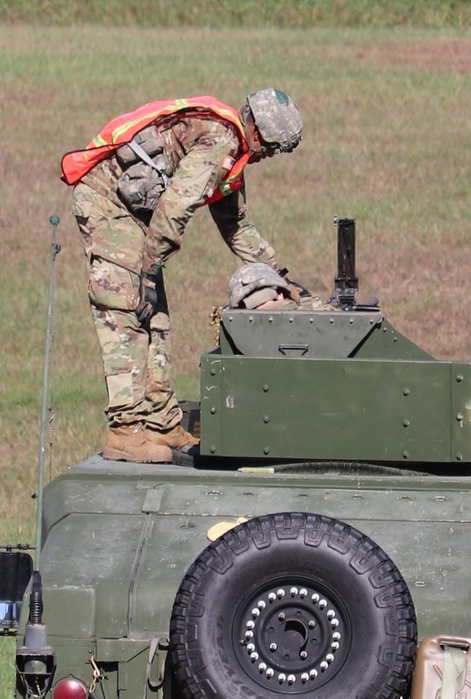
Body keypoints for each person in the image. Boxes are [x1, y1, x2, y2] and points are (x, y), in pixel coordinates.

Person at [61, 89, 309, 463]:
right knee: (126, 311)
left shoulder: (231, 154)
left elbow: (235, 224)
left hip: (136, 216)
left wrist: (278, 275)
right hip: (107, 203)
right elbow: (176, 207)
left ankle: (160, 422)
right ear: (256, 131)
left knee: (155, 314)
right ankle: (125, 430)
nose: (268, 157)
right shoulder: (218, 142)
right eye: (271, 149)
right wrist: (148, 271)